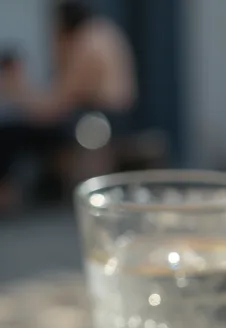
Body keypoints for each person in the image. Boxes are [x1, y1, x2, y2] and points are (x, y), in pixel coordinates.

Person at [0, 0, 137, 211]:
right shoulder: (104, 32)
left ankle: (7, 194)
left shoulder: (86, 42)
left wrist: (17, 91)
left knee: (11, 134)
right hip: (111, 116)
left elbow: (56, 106)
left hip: (97, 119)